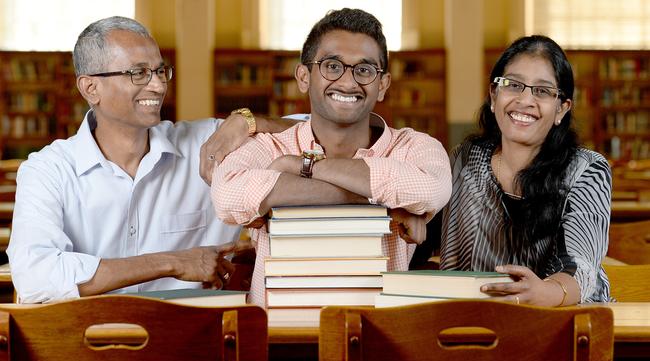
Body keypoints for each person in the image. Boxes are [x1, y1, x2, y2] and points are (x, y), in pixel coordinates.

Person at [7, 16, 293, 303]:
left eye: (160, 71)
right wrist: (171, 262)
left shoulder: (209, 145)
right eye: (139, 73)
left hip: (192, 340)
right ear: (90, 88)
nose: (158, 86)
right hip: (87, 340)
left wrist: (249, 121)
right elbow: (34, 275)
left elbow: (317, 135)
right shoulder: (47, 171)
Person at [211, 8, 452, 306]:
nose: (348, 83)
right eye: (332, 66)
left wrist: (300, 168)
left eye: (364, 70)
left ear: (383, 85)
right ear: (303, 77)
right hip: (273, 338)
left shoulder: (414, 147)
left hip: (375, 338)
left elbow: (431, 189)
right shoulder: (266, 147)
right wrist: (387, 206)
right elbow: (226, 196)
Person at [437, 35, 611, 305]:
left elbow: (581, 266)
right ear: (494, 96)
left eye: (542, 91)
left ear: (561, 109)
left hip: (564, 323)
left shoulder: (587, 170)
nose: (525, 100)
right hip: (472, 322)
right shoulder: (464, 159)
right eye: (513, 85)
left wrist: (545, 293)